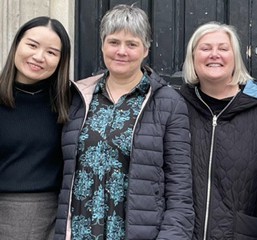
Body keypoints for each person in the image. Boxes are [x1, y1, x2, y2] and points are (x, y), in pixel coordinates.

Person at [54, 4, 194, 240]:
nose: (121, 51)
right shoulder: (78, 97)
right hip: (79, 233)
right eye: (114, 42)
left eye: (132, 44)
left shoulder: (168, 103)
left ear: (146, 49)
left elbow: (179, 186)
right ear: (102, 45)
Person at [0, 16, 71, 240]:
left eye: (51, 52)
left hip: (52, 219)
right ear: (17, 44)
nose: (39, 57)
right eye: (32, 45)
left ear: (61, 61)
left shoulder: (71, 105)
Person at [180, 21, 257, 239]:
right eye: (205, 48)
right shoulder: (176, 107)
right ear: (193, 57)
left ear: (236, 58)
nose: (214, 54)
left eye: (223, 48)